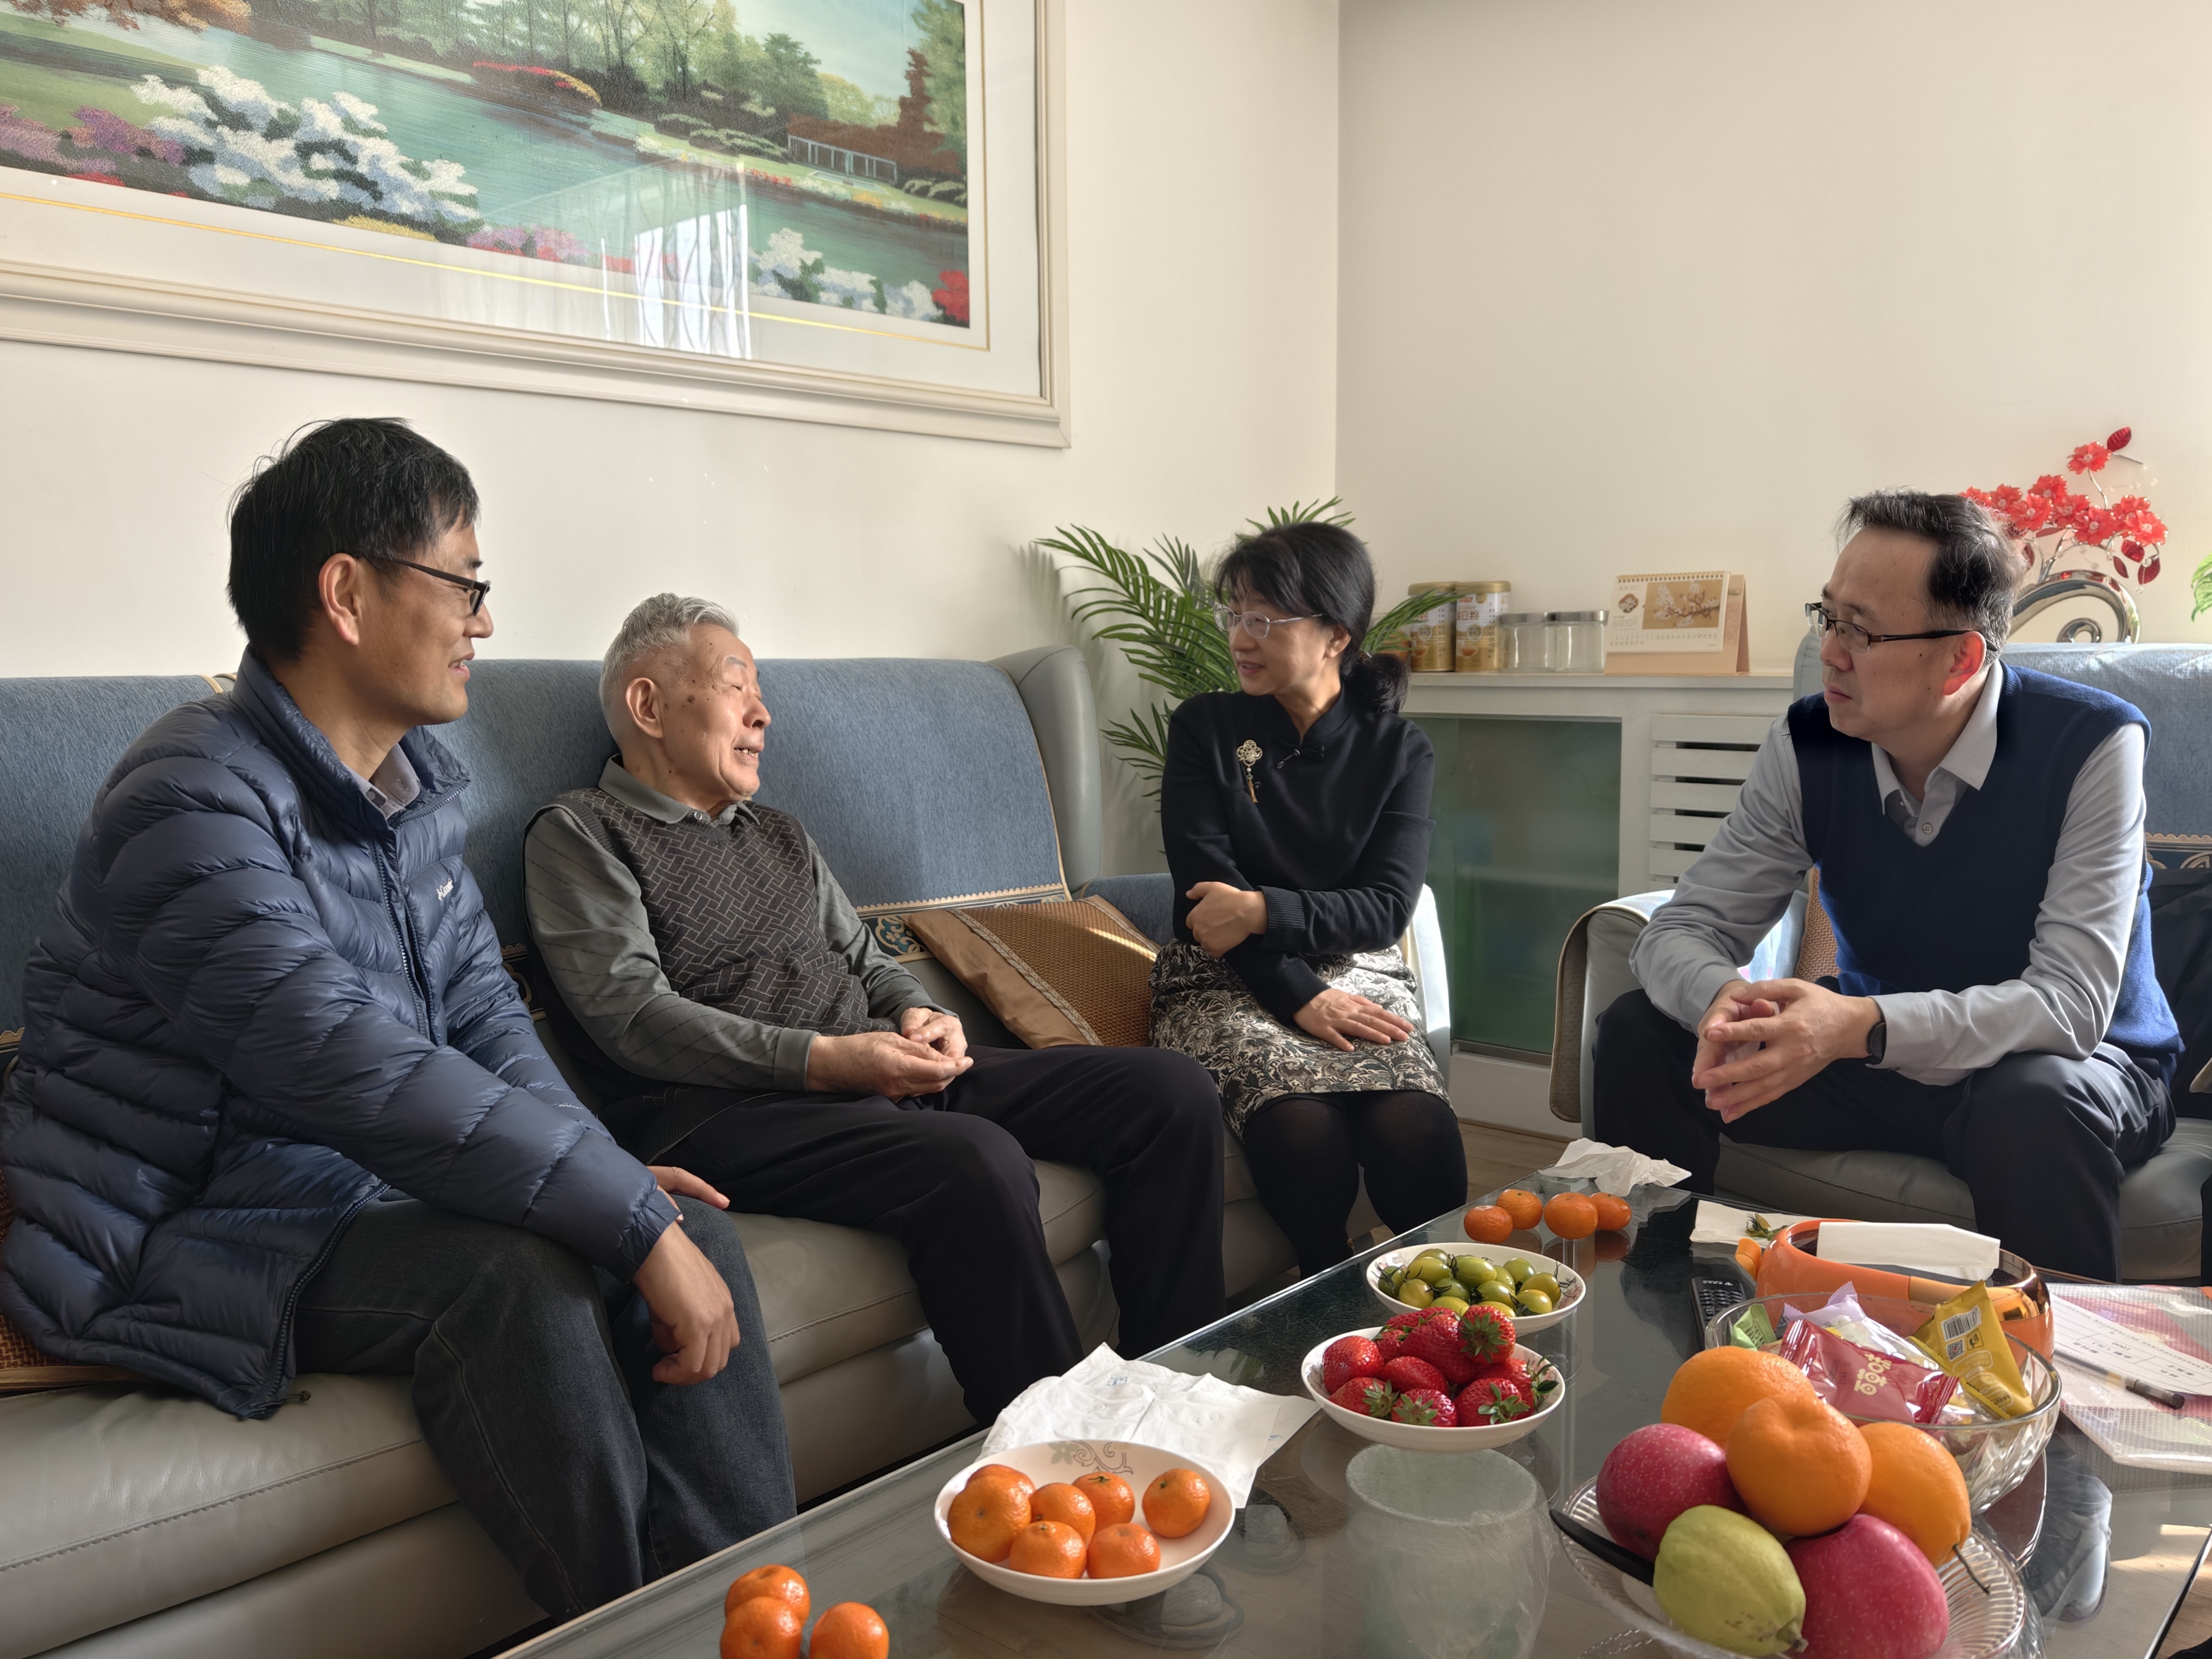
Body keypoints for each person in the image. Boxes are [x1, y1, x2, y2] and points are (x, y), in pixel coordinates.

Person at [0, 420, 794, 1621]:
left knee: (691, 1233)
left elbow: (483, 1016)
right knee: (519, 1281)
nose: (485, 621)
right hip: (195, 1219)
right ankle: (633, 1636)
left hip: (359, 1185)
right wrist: (613, 1213)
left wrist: (613, 1180)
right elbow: (344, 1061)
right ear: (347, 594)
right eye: (463, 583)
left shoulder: (415, 796)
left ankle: (756, 1624)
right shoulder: (188, 799)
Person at [521, 595, 1226, 1426]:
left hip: (874, 1071)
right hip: (725, 1112)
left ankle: (1174, 1398)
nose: (762, 714)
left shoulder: (779, 832)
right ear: (647, 706)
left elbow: (862, 957)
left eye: (759, 694)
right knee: (977, 1160)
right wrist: (825, 1061)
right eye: (736, 687)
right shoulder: (580, 833)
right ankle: (1053, 1458)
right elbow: (633, 1018)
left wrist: (920, 1013)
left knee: (1169, 1092)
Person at [1595, 490, 2180, 1281]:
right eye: (1828, 617)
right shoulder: (1810, 741)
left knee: (2029, 1104)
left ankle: (2049, 1351)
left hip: (2071, 1065)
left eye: (1861, 631)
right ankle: (1662, 1307)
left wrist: (1858, 1026)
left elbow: (2067, 1007)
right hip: (1879, 1055)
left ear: (1961, 658)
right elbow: (1684, 929)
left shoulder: (2090, 744)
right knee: (1643, 1032)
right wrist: (1725, 1004)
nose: (1831, 652)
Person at [1149, 521, 1463, 1277]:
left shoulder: (1399, 750)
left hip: (1358, 969)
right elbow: (1206, 908)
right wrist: (1299, 995)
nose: (1240, 639)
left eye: (1264, 620)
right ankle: (1328, 1293)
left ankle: (1439, 1300)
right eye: (1235, 615)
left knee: (1415, 1130)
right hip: (1222, 978)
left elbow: (1384, 910)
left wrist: (1262, 909)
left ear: (1336, 636)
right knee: (1300, 1132)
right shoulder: (1205, 728)